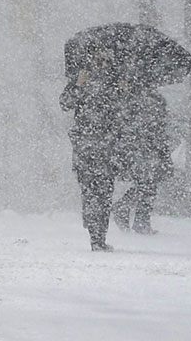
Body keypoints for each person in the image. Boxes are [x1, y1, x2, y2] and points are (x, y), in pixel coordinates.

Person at [60, 48, 119, 251]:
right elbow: (65, 103)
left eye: (105, 58)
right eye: (98, 58)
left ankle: (99, 235)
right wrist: (78, 85)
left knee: (104, 193)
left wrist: (123, 90)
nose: (101, 62)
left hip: (106, 148)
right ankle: (95, 234)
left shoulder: (114, 83)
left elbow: (124, 112)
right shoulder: (80, 80)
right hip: (85, 148)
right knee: (91, 192)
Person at [110, 87, 171, 235]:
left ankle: (133, 214)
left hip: (143, 147)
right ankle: (137, 217)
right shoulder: (146, 100)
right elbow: (156, 128)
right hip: (142, 148)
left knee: (147, 183)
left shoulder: (142, 99)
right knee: (147, 183)